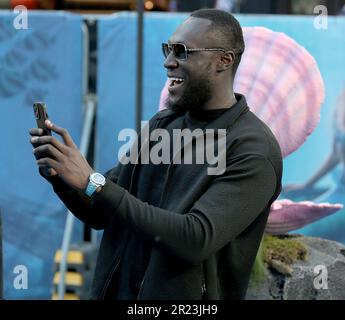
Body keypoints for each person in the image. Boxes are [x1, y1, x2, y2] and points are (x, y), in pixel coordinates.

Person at [29, 9, 282, 300]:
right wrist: (61, 174)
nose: (168, 62)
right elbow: (101, 212)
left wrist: (92, 181)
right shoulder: (163, 124)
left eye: (182, 51)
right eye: (168, 49)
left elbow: (195, 239)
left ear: (223, 61)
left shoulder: (253, 149)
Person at [283, 89, 345, 243]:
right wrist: (307, 184)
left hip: (340, 200)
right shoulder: (341, 102)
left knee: (300, 231)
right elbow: (335, 154)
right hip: (337, 191)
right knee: (288, 209)